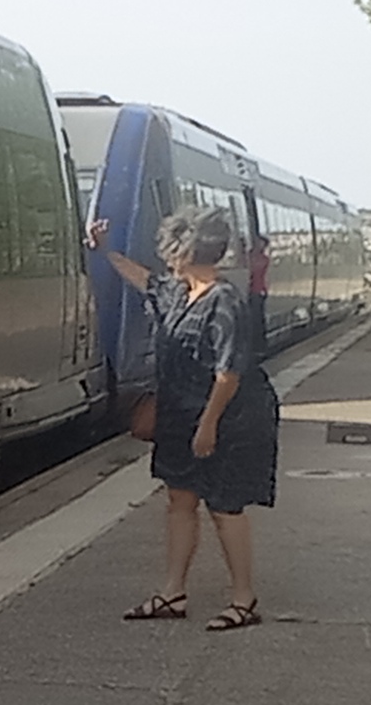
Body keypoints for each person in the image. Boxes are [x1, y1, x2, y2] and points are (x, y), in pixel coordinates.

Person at [86, 206, 276, 631]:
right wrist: (107, 252)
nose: (166, 259)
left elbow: (229, 372)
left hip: (226, 419)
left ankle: (244, 598)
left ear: (184, 252)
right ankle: (173, 591)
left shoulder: (224, 300)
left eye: (171, 250)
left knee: (225, 506)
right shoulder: (179, 291)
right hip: (179, 414)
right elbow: (145, 282)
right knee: (180, 500)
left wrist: (208, 425)